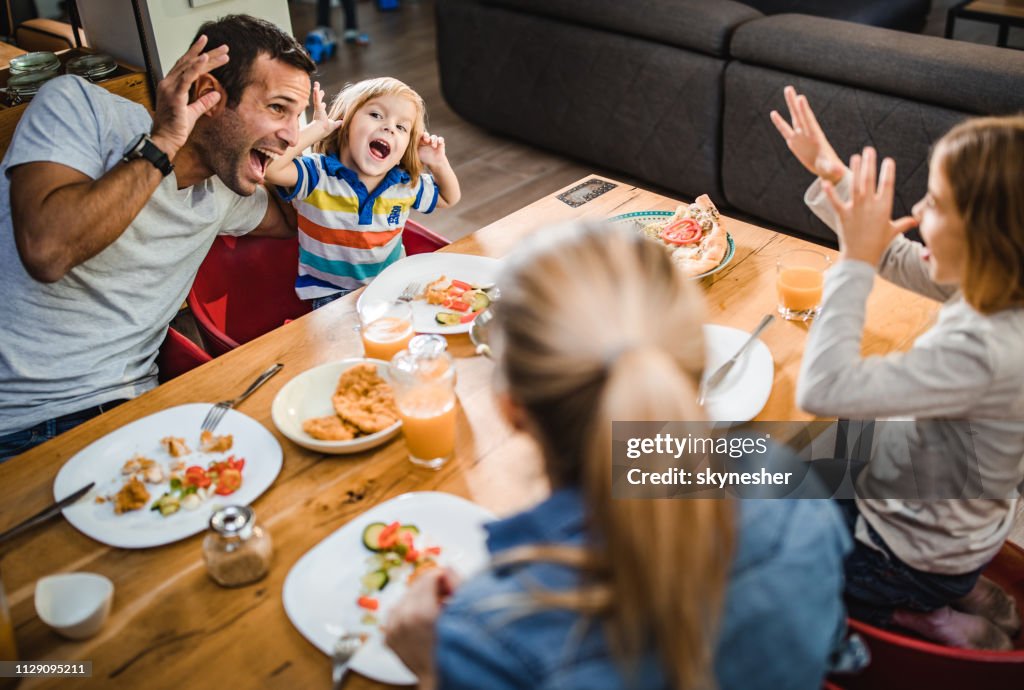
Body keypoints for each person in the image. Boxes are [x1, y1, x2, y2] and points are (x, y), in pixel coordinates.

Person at [384, 223, 853, 690]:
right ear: (695, 366)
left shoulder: (485, 641)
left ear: (510, 409)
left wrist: (431, 670)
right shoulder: (793, 484)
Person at [772, 86, 1024, 649]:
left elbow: (823, 386)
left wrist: (852, 263)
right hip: (959, 520)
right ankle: (956, 586)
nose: (918, 212)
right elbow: (894, 253)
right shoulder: (1002, 288)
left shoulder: (983, 349)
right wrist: (832, 174)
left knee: (778, 529)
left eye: (936, 203)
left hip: (906, 547)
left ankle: (927, 616)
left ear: (986, 237)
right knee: (822, 462)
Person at [0, 14, 317, 461]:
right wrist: (163, 143)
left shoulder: (224, 192)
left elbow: (299, 222)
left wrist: (355, 157)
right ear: (208, 94)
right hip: (18, 426)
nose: (291, 134)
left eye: (298, 116)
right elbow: (47, 251)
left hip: (134, 413)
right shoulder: (79, 107)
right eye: (278, 108)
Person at [264, 77, 460, 308]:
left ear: (407, 147)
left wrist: (438, 162)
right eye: (376, 115)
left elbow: (449, 198)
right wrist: (317, 129)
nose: (389, 127)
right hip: (333, 295)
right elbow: (271, 168)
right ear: (344, 122)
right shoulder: (316, 175)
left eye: (401, 127)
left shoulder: (404, 184)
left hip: (393, 287)